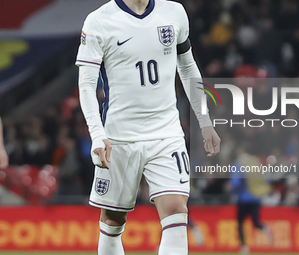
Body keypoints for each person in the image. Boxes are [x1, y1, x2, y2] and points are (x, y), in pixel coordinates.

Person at [75, 0, 221, 254]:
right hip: (119, 138)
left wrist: (205, 119)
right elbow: (86, 84)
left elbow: (187, 68)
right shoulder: (99, 21)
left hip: (166, 133)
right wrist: (97, 134)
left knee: (177, 209)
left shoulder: (174, 12)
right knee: (112, 220)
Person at [230, 146, 273, 254]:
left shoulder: (239, 163)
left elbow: (235, 181)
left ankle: (244, 247)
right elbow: (265, 179)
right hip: (256, 198)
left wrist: (232, 191)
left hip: (243, 199)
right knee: (256, 222)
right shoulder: (256, 162)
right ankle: (265, 229)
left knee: (240, 224)